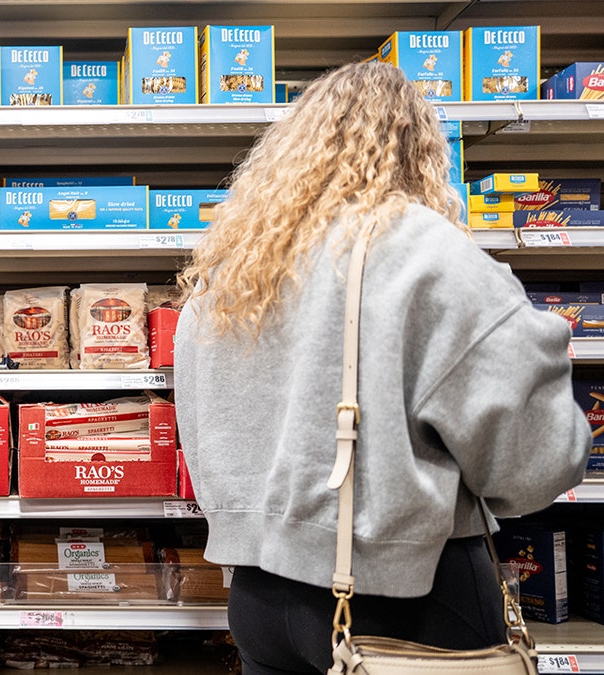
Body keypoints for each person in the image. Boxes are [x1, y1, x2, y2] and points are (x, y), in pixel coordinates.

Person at [174, 60, 591, 675]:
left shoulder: (231, 275)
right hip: (402, 603)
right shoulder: (426, 256)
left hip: (259, 604)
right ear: (422, 150)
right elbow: (538, 466)